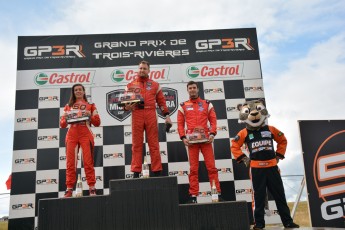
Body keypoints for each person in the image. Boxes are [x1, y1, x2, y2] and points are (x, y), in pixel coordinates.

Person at [230, 99, 299, 229]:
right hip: (256, 169)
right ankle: (259, 224)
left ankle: (288, 222)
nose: (255, 114)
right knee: (259, 198)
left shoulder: (271, 129)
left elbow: (283, 140)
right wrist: (244, 159)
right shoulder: (244, 132)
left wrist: (279, 155)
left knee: (280, 196)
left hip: (272, 167)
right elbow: (234, 145)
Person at [124, 60, 172, 178]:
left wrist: (167, 115)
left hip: (151, 112)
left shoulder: (155, 84)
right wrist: (127, 107)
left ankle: (157, 171)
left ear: (149, 70)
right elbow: (125, 104)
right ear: (138, 69)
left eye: (144, 68)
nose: (142, 70)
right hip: (137, 113)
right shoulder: (130, 85)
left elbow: (161, 102)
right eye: (140, 68)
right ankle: (136, 171)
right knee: (136, 144)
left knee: (154, 144)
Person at [177, 81, 221, 203]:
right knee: (193, 170)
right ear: (187, 90)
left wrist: (212, 133)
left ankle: (216, 193)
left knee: (211, 168)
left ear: (198, 89)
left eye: (194, 88)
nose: (192, 90)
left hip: (206, 141)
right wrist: (183, 137)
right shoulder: (183, 105)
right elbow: (180, 124)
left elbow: (213, 120)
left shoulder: (207, 104)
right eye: (190, 88)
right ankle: (193, 196)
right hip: (192, 143)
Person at [60, 83, 101, 197]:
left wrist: (89, 115)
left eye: (80, 89)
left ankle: (92, 188)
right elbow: (62, 124)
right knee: (70, 163)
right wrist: (67, 117)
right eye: (76, 90)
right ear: (73, 92)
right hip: (72, 134)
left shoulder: (91, 105)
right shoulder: (68, 106)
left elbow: (97, 122)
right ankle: (69, 189)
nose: (78, 91)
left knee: (88, 162)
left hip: (85, 134)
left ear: (84, 91)